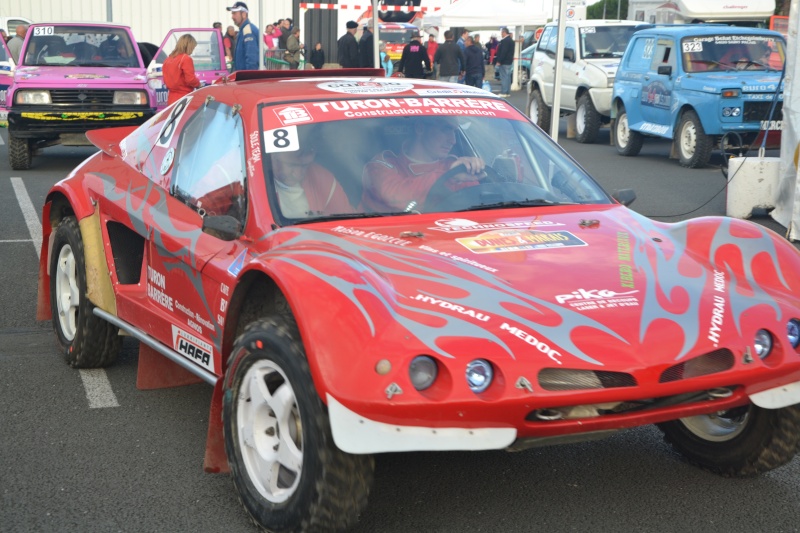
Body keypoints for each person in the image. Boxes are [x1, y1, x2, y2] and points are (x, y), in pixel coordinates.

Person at [361, 116, 485, 212]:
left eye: (454, 132)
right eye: (446, 129)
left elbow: (478, 203)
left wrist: (473, 169)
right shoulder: (381, 166)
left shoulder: (455, 168)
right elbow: (396, 197)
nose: (453, 140)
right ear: (420, 128)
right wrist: (450, 176)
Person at [270, 133, 353, 218]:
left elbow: (348, 220)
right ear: (273, 157)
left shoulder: (323, 180)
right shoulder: (257, 185)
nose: (298, 174)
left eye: (305, 166)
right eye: (292, 165)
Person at [162, 34, 201, 106]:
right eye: (193, 48)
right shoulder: (186, 59)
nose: (192, 51)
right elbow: (190, 79)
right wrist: (199, 84)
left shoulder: (168, 59)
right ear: (189, 46)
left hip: (171, 97)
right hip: (184, 97)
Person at [227, 1, 259, 71]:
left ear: (244, 14)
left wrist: (249, 79)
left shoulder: (248, 31)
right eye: (232, 14)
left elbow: (252, 58)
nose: (232, 17)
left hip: (247, 78)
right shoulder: (243, 31)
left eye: (234, 13)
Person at [493, 27, 514, 97]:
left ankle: (504, 92)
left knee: (504, 77)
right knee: (507, 77)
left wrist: (499, 61)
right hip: (509, 61)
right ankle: (507, 91)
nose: (501, 34)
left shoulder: (505, 41)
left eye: (502, 32)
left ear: (504, 32)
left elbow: (503, 52)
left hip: (504, 62)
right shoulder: (511, 40)